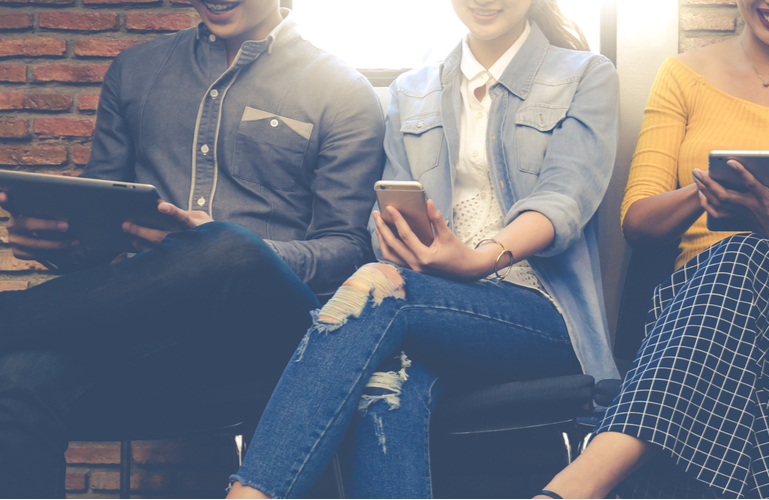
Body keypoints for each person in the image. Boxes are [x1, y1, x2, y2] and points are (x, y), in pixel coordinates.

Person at [224, 1, 620, 498]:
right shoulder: (412, 91)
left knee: (376, 284)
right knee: (382, 382)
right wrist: (393, 237)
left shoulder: (586, 73)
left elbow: (565, 198)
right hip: (434, 310)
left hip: (539, 315)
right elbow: (387, 209)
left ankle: (248, 495)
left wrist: (479, 258)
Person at [0, 0, 385, 496]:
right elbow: (102, 225)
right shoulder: (136, 69)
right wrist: (61, 240)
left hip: (276, 339)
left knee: (226, 246)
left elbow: (350, 249)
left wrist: (226, 247)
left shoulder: (342, 88)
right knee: (17, 375)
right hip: (153, 333)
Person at [534, 0, 769, 497]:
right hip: (694, 313)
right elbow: (638, 219)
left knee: (746, 251)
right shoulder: (683, 75)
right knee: (759, 365)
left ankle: (579, 483)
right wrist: (706, 191)